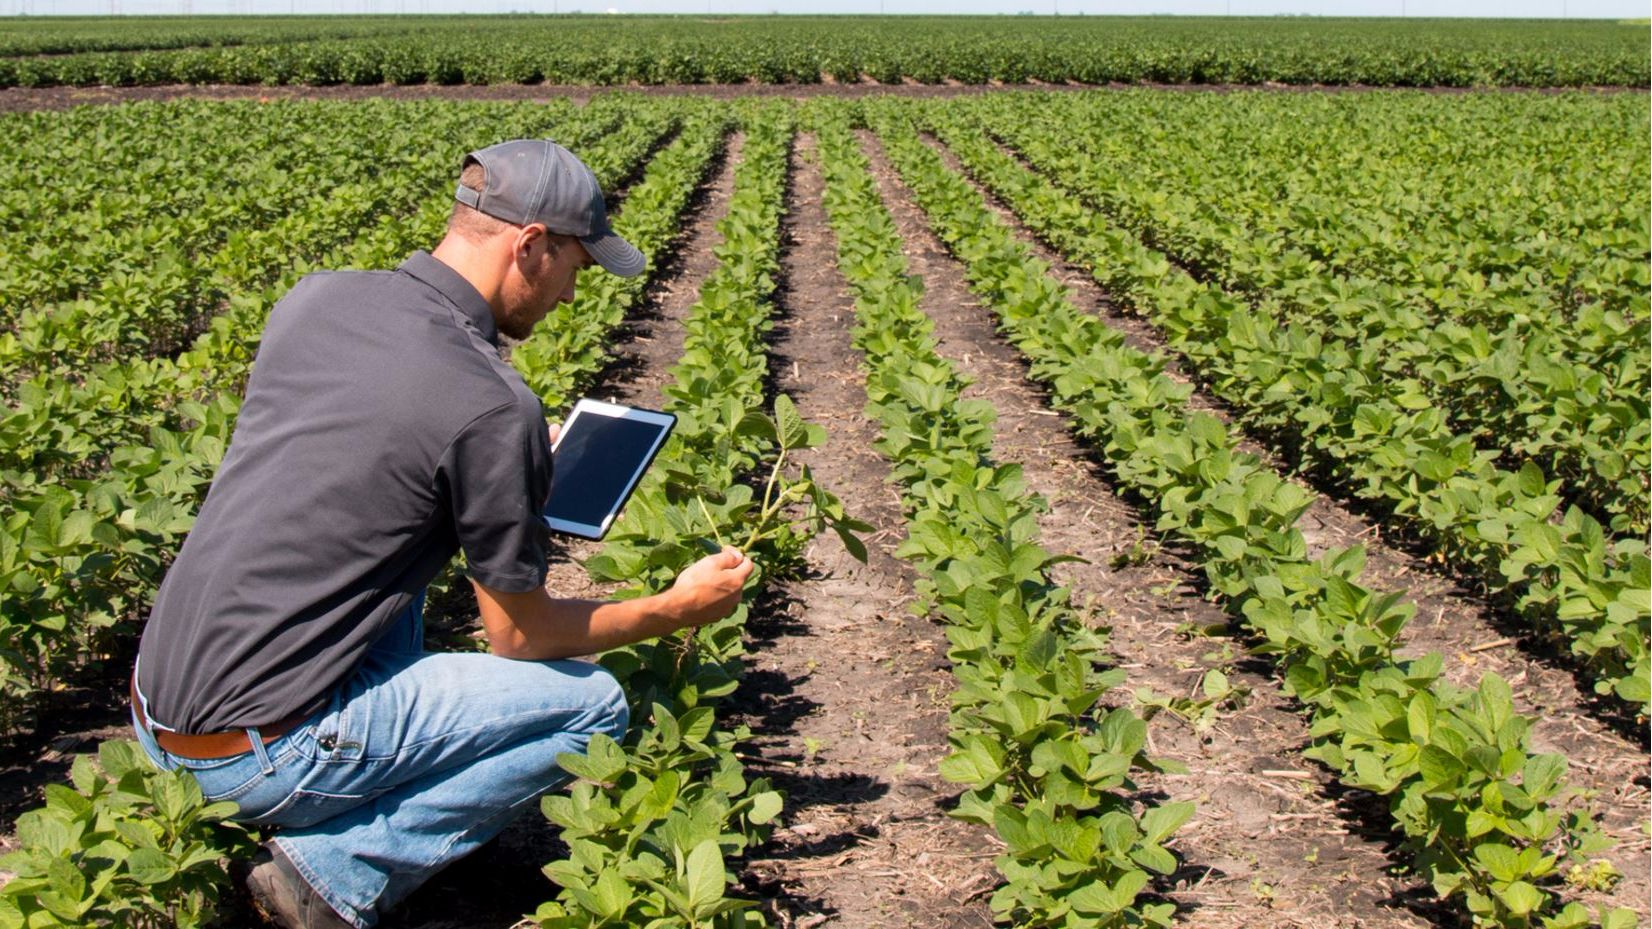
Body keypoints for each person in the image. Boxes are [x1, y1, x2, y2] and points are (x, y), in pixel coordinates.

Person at [128, 139, 755, 929]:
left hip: (158, 711)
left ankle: (331, 787)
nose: (571, 295)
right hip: (254, 755)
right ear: (531, 245)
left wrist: (506, 474)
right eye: (576, 269)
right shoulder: (492, 405)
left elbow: (364, 467)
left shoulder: (319, 296)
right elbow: (518, 639)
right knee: (590, 706)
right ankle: (334, 873)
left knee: (400, 581)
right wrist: (675, 606)